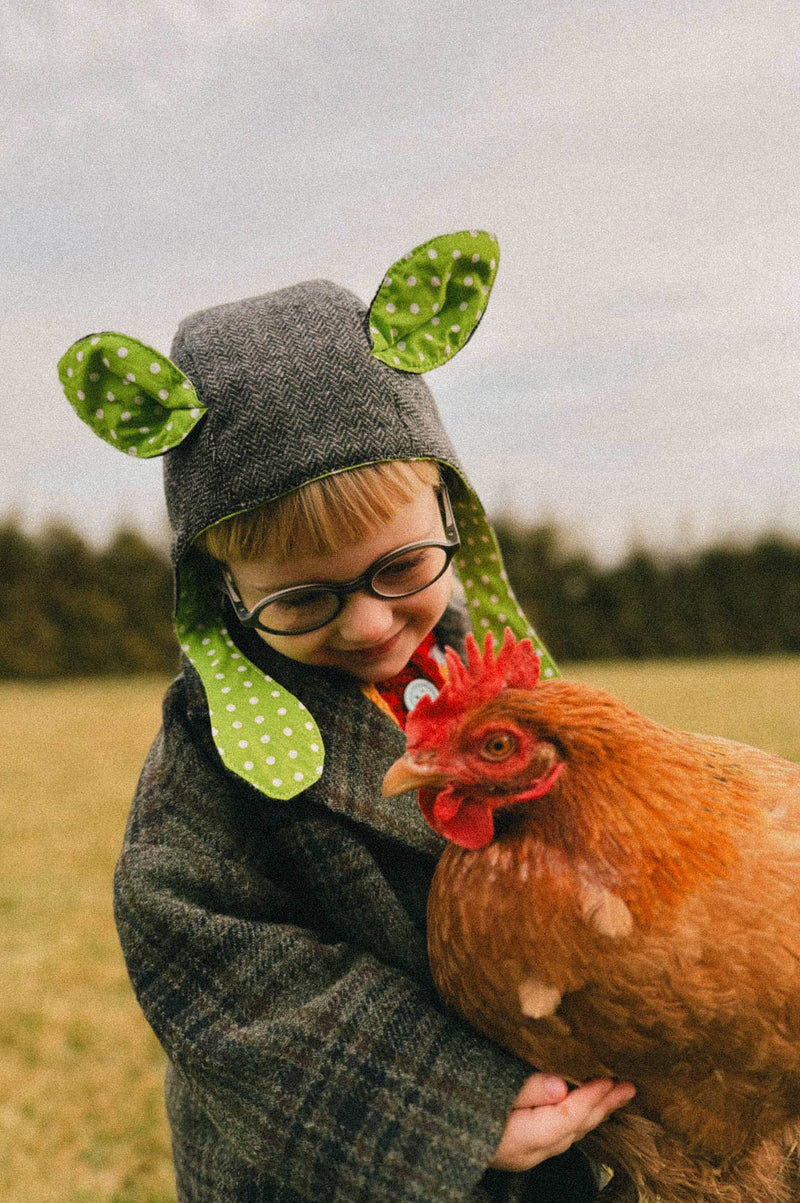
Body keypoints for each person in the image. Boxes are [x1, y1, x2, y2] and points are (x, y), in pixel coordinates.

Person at [58, 230, 634, 1201]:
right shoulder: (211, 752)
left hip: (548, 1122)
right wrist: (447, 1101)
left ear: (450, 513)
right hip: (340, 1156)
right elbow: (207, 959)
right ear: (225, 590)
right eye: (300, 600)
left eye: (402, 568)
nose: (370, 623)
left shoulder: (494, 676)